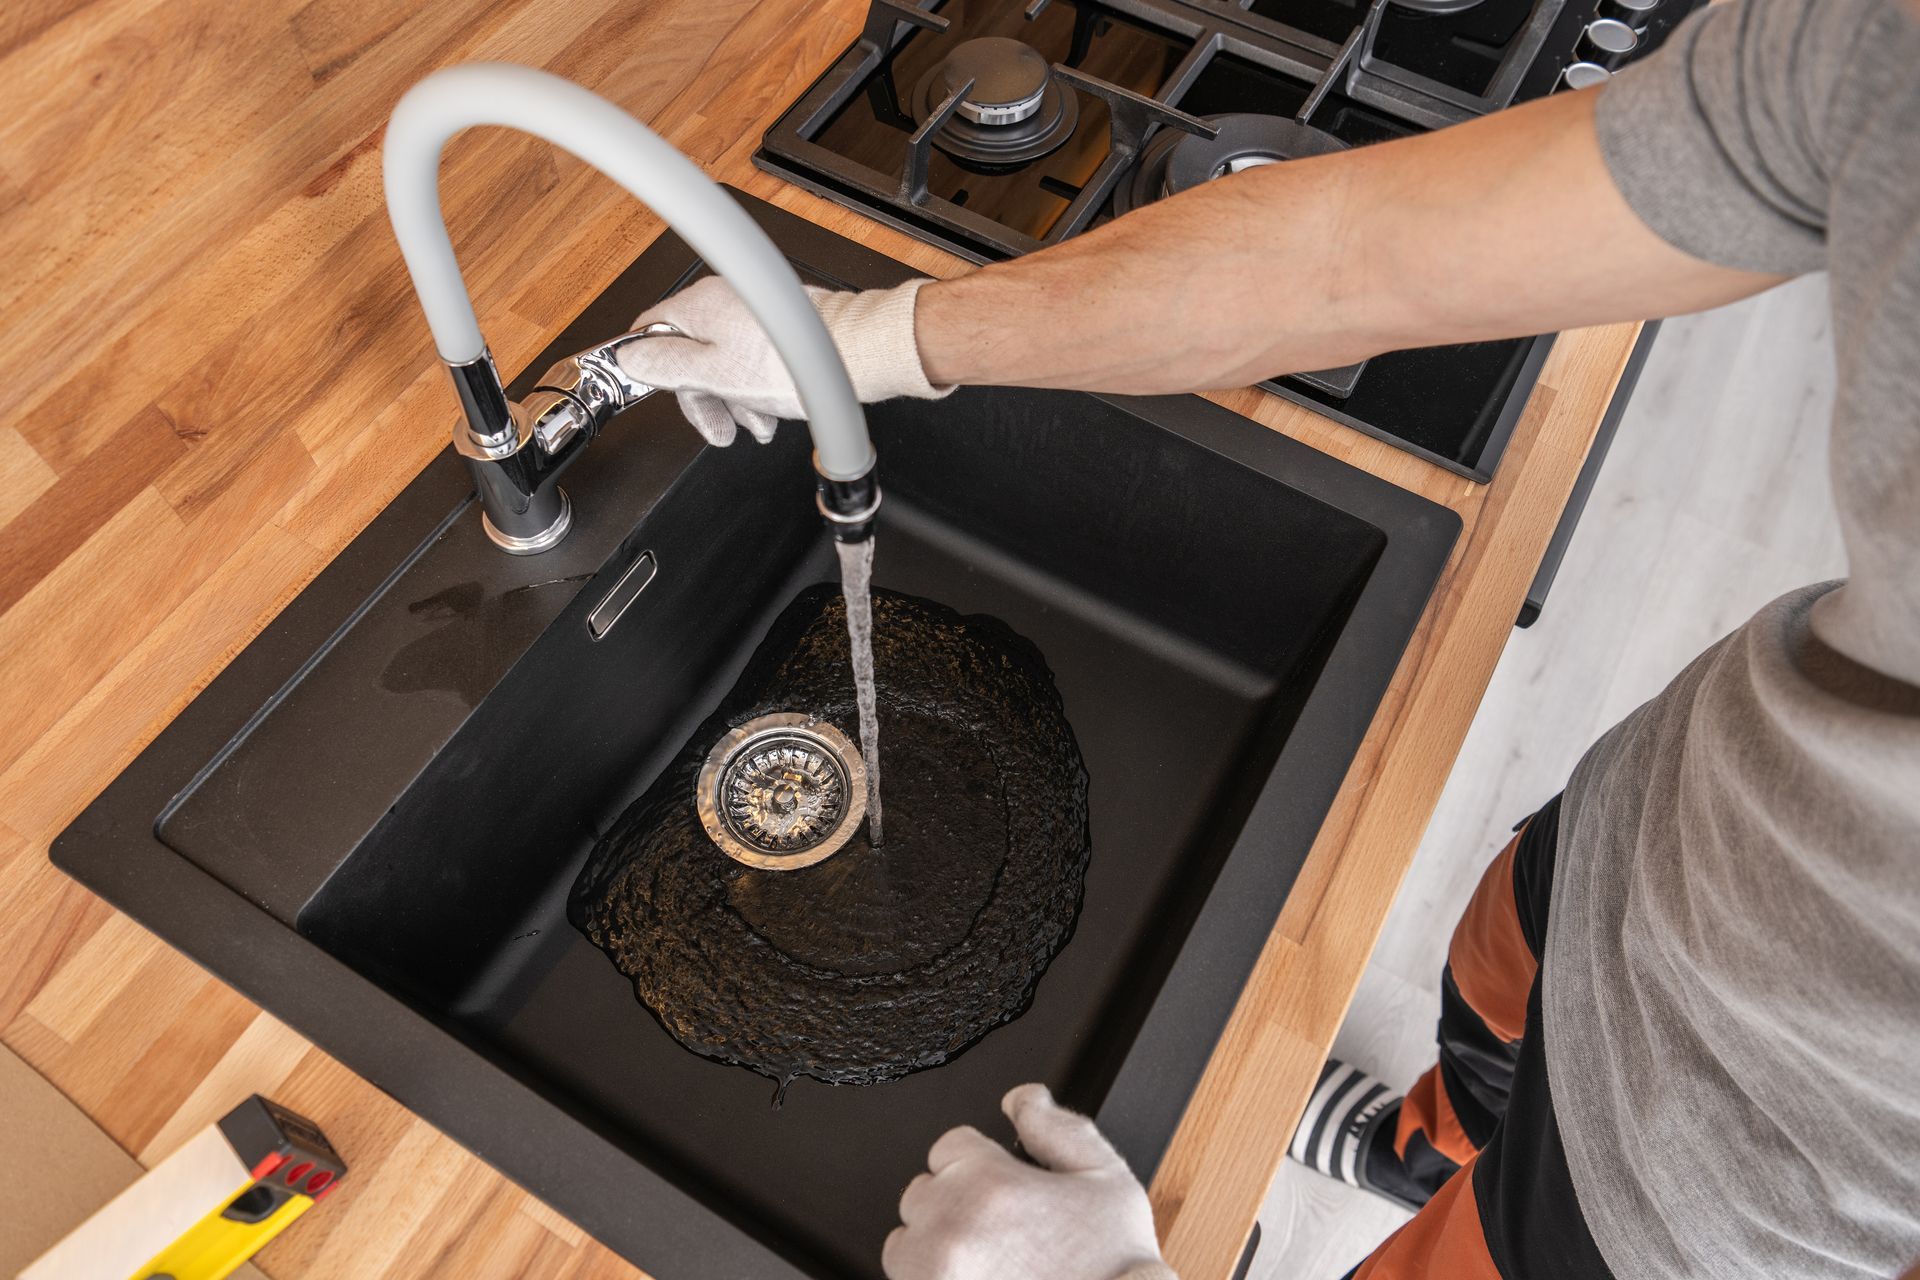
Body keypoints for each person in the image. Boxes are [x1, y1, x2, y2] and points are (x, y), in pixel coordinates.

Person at [612, 0, 1920, 1274]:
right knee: (1498, 1018)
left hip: (1691, 1226)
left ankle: (1446, 1174)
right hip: (1651, 835)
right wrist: (855, 340)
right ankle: (1420, 1143)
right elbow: (1351, 254)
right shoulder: (1888, 49)